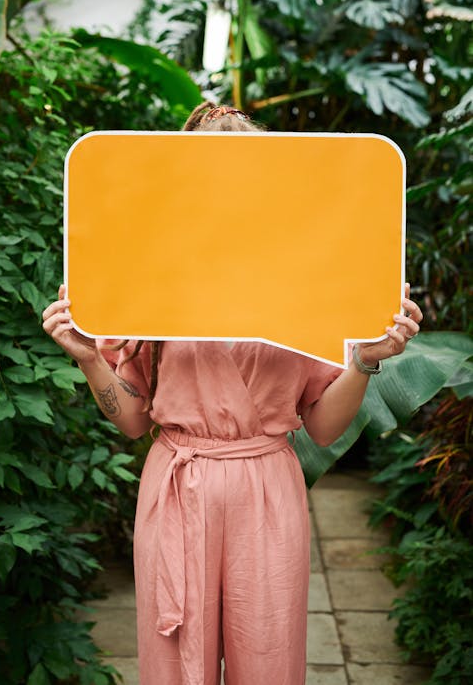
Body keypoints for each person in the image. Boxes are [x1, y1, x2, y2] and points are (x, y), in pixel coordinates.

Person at [42, 102, 423, 685]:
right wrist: (91, 357)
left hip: (266, 488)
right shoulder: (148, 278)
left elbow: (321, 428)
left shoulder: (305, 278)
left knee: (268, 655)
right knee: (174, 662)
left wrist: (365, 361)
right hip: (178, 484)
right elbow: (134, 422)